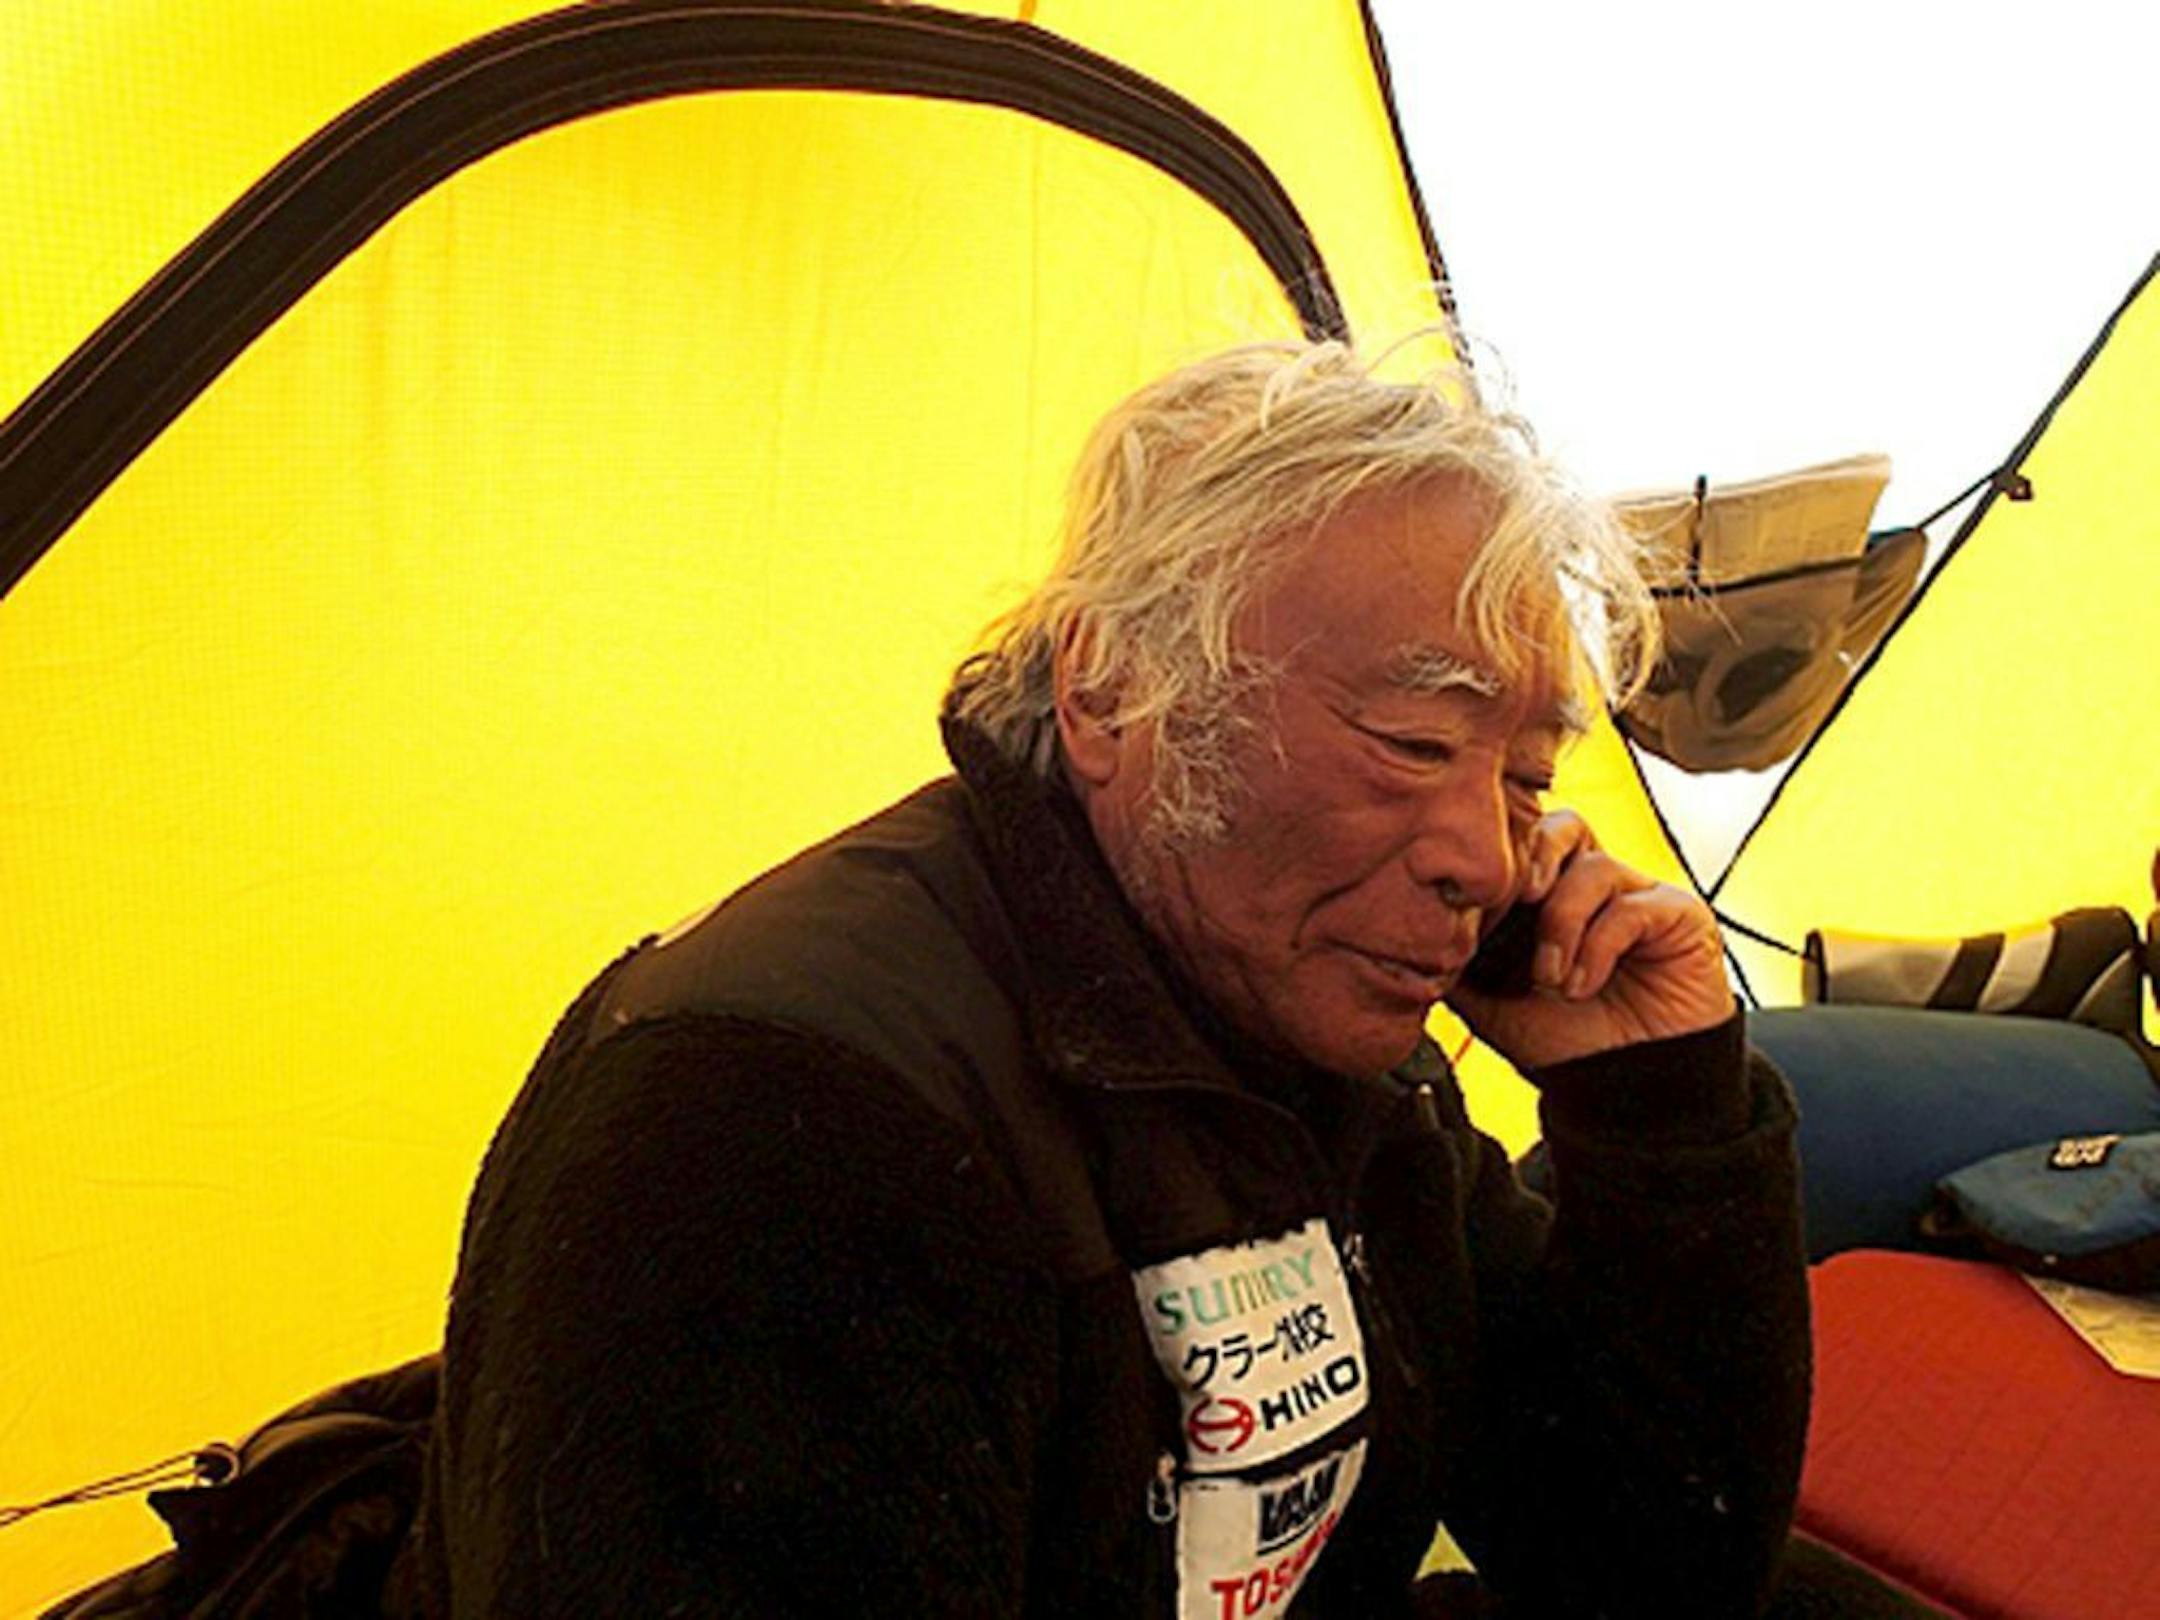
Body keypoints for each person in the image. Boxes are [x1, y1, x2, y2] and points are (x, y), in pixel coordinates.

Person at [396, 341, 1824, 1618]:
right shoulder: (779, 1125)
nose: (1489, 862)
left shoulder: (1326, 1042)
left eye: (1527, 779)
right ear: (1112, 689)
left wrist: (1656, 1108)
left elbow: (1651, 1566)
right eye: (1411, 742)